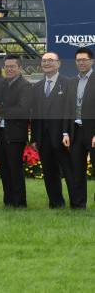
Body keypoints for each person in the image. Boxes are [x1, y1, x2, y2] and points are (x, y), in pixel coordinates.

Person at [30, 52, 73, 209]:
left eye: (50, 60)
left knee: (69, 171)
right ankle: (56, 203)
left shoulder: (68, 83)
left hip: (63, 136)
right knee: (49, 172)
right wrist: (34, 138)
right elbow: (34, 114)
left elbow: (71, 111)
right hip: (43, 137)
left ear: (58, 64)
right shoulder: (37, 87)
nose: (47, 63)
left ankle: (76, 203)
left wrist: (67, 132)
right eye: (44, 61)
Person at [0, 54, 32, 208]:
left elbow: (22, 110)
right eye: (7, 66)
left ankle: (20, 202)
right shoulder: (2, 84)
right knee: (4, 168)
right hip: (0, 132)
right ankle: (8, 201)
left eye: (12, 66)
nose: (9, 69)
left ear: (19, 68)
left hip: (15, 134)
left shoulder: (25, 85)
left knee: (15, 169)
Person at [65, 47, 95, 209]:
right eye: (78, 60)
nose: (81, 63)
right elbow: (67, 109)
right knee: (77, 169)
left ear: (91, 61)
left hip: (92, 132)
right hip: (75, 131)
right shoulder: (72, 81)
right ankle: (78, 205)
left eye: (84, 60)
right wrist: (65, 132)